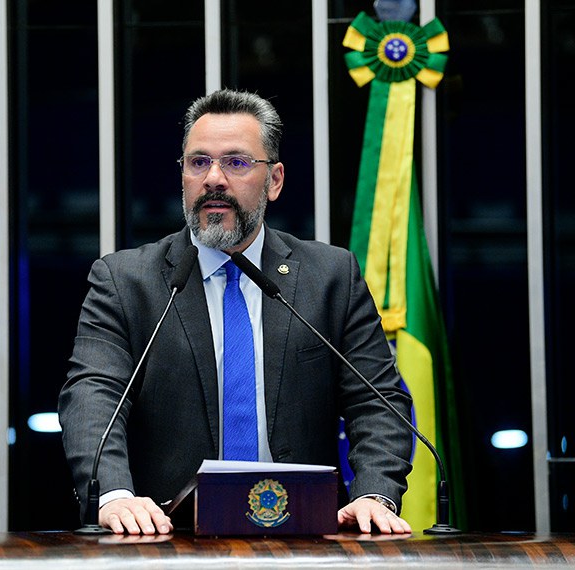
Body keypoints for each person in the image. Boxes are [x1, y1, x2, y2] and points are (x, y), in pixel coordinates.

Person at [59, 89, 414, 536]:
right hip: (165, 541)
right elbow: (93, 397)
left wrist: (374, 494)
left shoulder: (330, 277)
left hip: (307, 537)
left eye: (237, 162)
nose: (214, 179)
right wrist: (114, 495)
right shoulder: (126, 281)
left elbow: (378, 402)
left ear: (275, 180)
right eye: (199, 162)